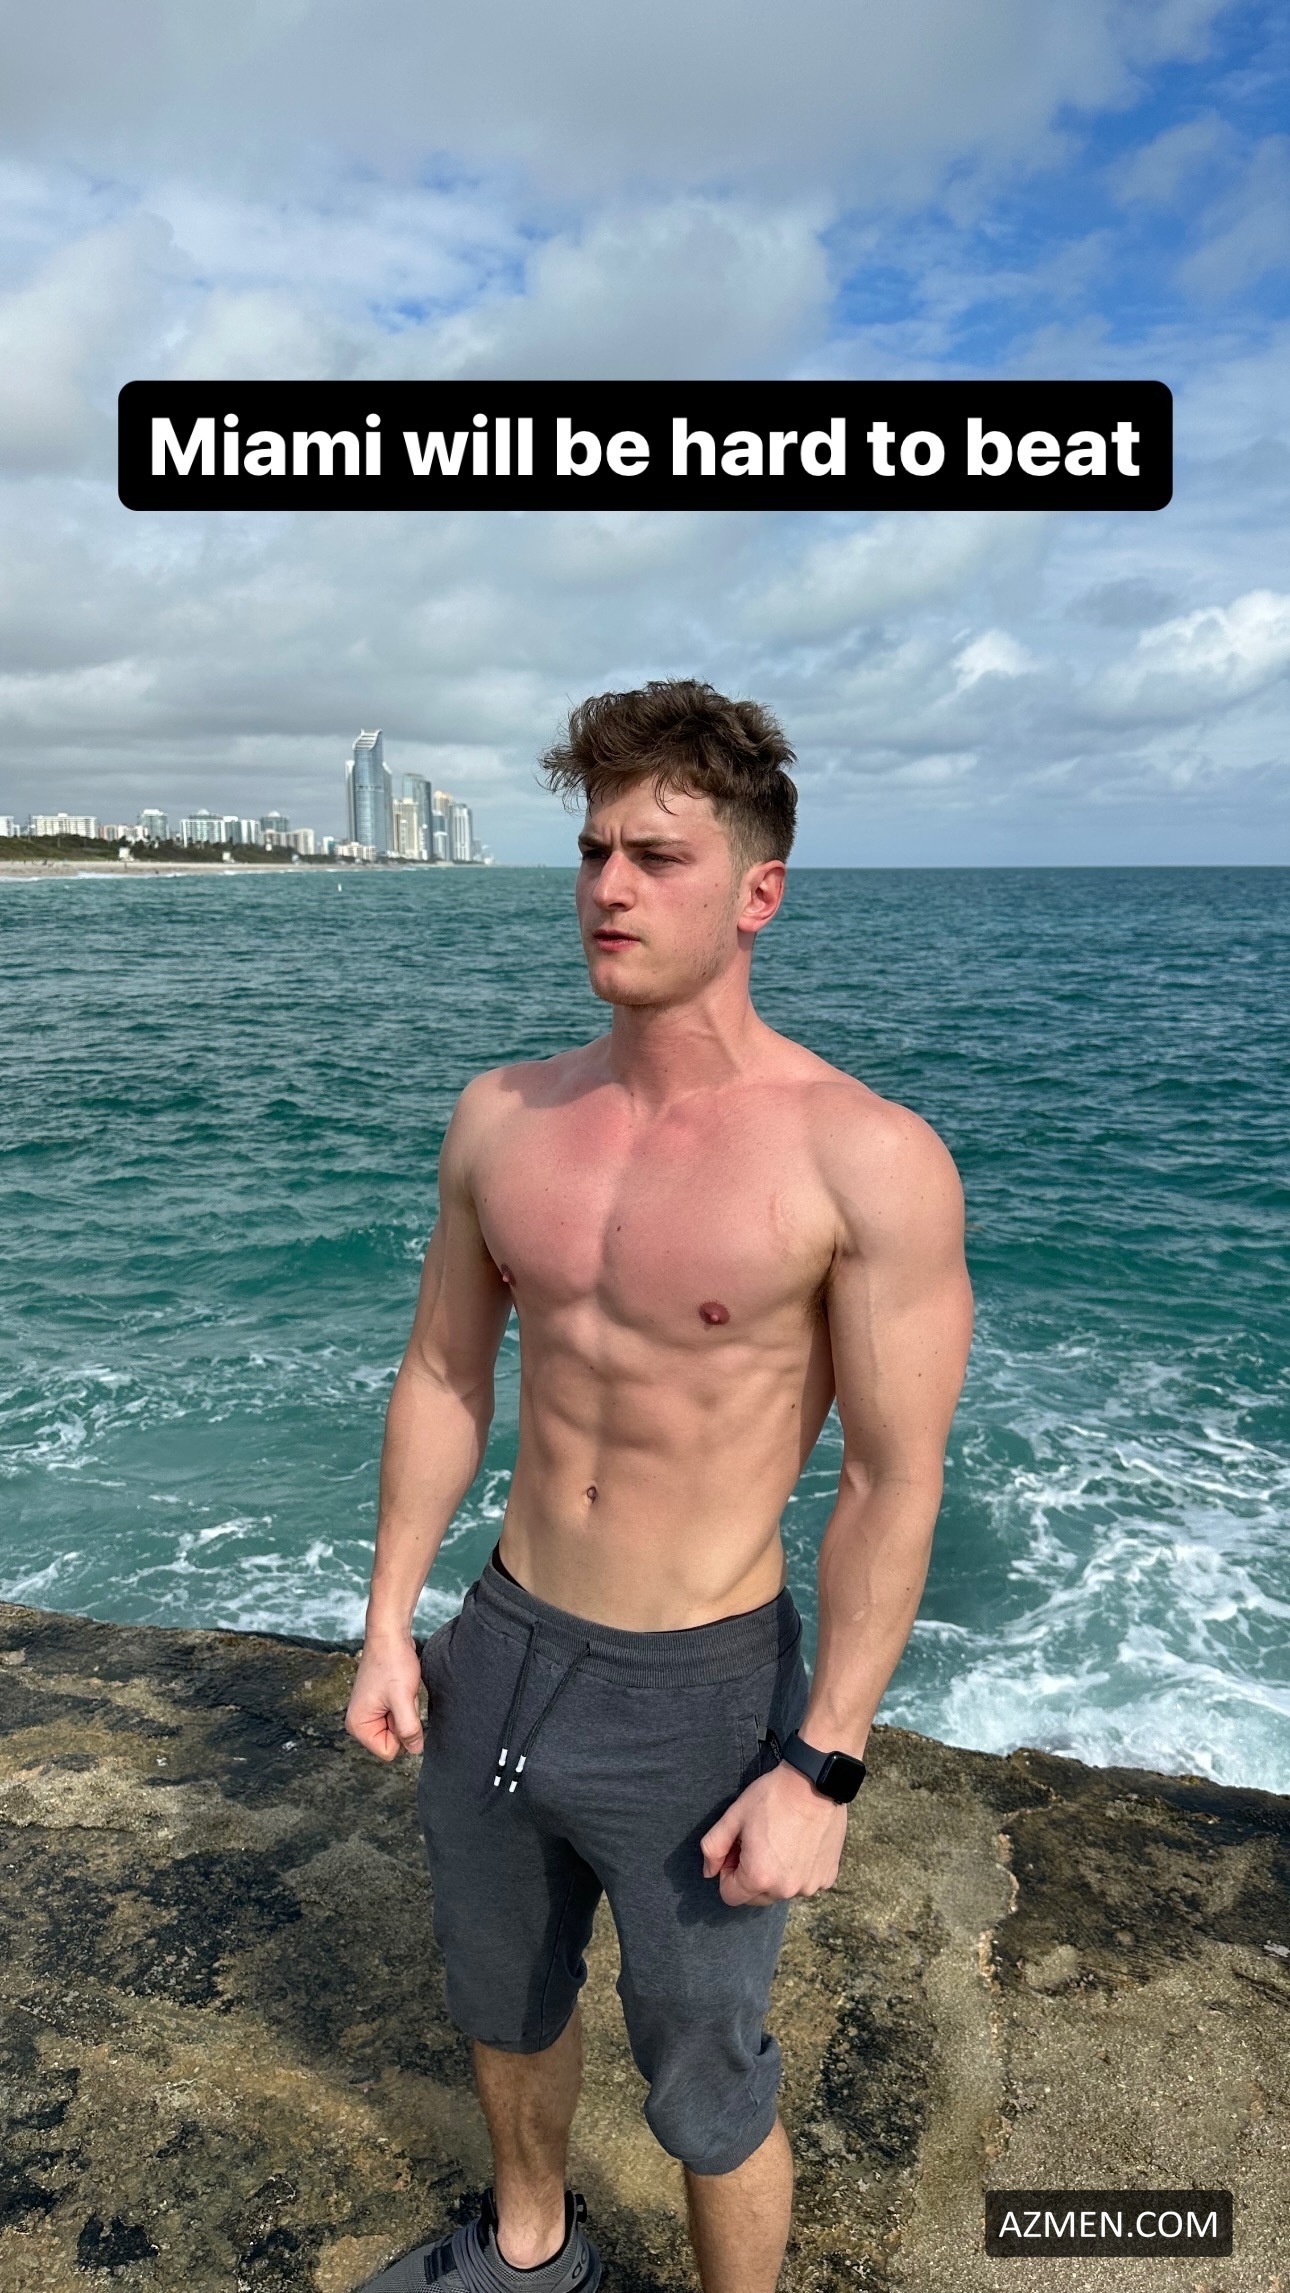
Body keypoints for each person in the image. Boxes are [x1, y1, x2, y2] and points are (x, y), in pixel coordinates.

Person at [346, 680, 973, 2293]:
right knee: (501, 1996)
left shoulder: (862, 1156)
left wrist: (820, 1762)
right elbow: (443, 1376)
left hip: (697, 1690)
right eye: (591, 850)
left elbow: (891, 1481)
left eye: (656, 856)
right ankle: (532, 2245)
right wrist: (390, 1621)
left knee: (705, 2082)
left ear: (757, 891)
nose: (607, 887)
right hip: (499, 1643)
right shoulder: (503, 1116)